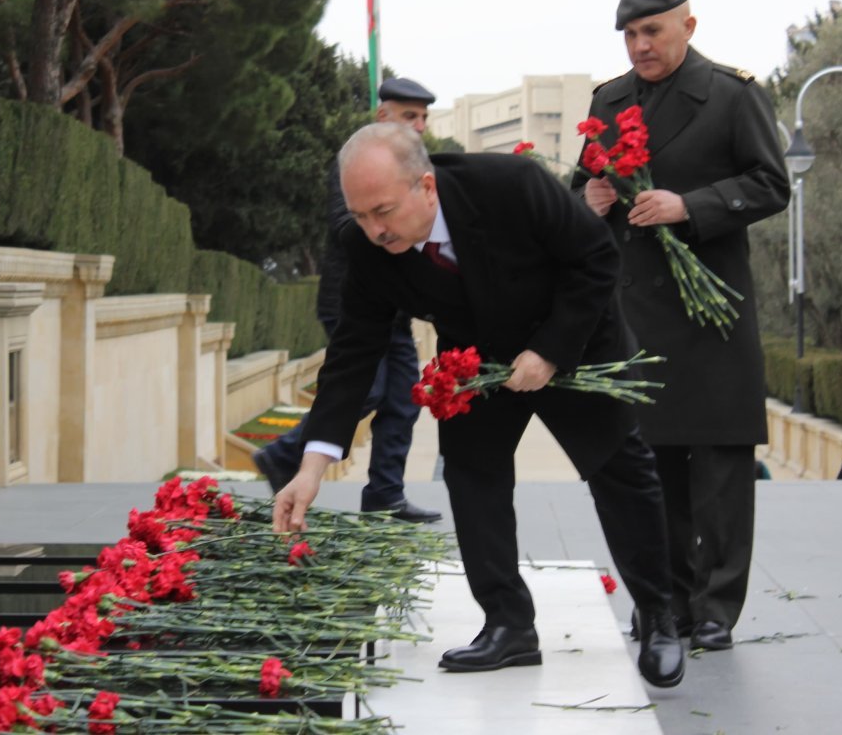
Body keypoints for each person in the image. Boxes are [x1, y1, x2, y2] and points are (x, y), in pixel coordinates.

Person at [273, 122, 685, 689]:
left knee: (621, 469)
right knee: (472, 475)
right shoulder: (364, 244)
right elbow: (352, 352)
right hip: (477, 358)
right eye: (360, 215)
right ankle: (509, 625)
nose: (373, 230)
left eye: (384, 211)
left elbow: (595, 259)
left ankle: (659, 613)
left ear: (426, 186)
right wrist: (312, 466)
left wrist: (548, 351)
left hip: (575, 337)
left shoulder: (510, 185)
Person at [573, 0, 789, 653]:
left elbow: (770, 183)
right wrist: (592, 198)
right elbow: (580, 184)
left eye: (652, 32)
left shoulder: (732, 94)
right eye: (631, 35)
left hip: (713, 310)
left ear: (687, 27)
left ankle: (717, 605)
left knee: (722, 462)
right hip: (638, 309)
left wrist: (688, 207)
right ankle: (664, 600)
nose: (640, 46)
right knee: (654, 461)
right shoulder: (608, 101)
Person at [253, 77, 442, 524]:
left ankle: (385, 495)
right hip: (350, 304)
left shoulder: (416, 167)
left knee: (404, 398)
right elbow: (345, 225)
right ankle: (285, 455)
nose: (419, 125)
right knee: (369, 387)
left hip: (394, 311)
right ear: (383, 115)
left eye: (423, 117)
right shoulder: (361, 162)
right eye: (409, 115)